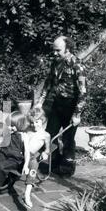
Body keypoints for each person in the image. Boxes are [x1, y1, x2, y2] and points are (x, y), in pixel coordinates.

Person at [34, 35, 86, 176]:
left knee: (68, 139)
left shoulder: (77, 65)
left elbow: (83, 92)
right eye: (54, 50)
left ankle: (67, 168)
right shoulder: (55, 63)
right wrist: (40, 102)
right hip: (57, 105)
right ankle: (54, 164)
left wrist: (77, 114)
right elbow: (48, 83)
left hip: (71, 106)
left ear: (68, 48)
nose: (55, 53)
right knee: (51, 135)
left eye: (58, 50)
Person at [20, 108, 51, 209]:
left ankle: (27, 194)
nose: (34, 125)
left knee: (33, 167)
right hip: (20, 153)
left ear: (43, 121)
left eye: (37, 122)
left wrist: (45, 153)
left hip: (32, 156)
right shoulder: (28, 131)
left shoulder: (46, 135)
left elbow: (47, 149)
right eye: (32, 123)